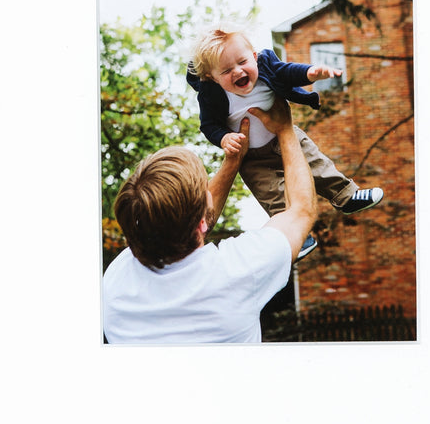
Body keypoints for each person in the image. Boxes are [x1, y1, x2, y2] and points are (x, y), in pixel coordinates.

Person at [102, 102, 317, 344]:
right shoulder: (238, 272)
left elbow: (181, 222)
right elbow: (301, 211)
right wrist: (285, 129)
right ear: (202, 224)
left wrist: (233, 162)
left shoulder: (116, 281)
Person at [186, 25, 383, 258]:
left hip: (287, 137)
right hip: (251, 158)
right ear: (212, 77)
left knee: (318, 166)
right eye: (227, 70)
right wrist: (224, 138)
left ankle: (346, 195)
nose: (238, 72)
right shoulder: (212, 95)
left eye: (242, 62)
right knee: (273, 195)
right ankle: (293, 236)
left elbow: (286, 71)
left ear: (254, 57)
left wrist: (309, 73)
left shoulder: (266, 64)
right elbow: (208, 125)